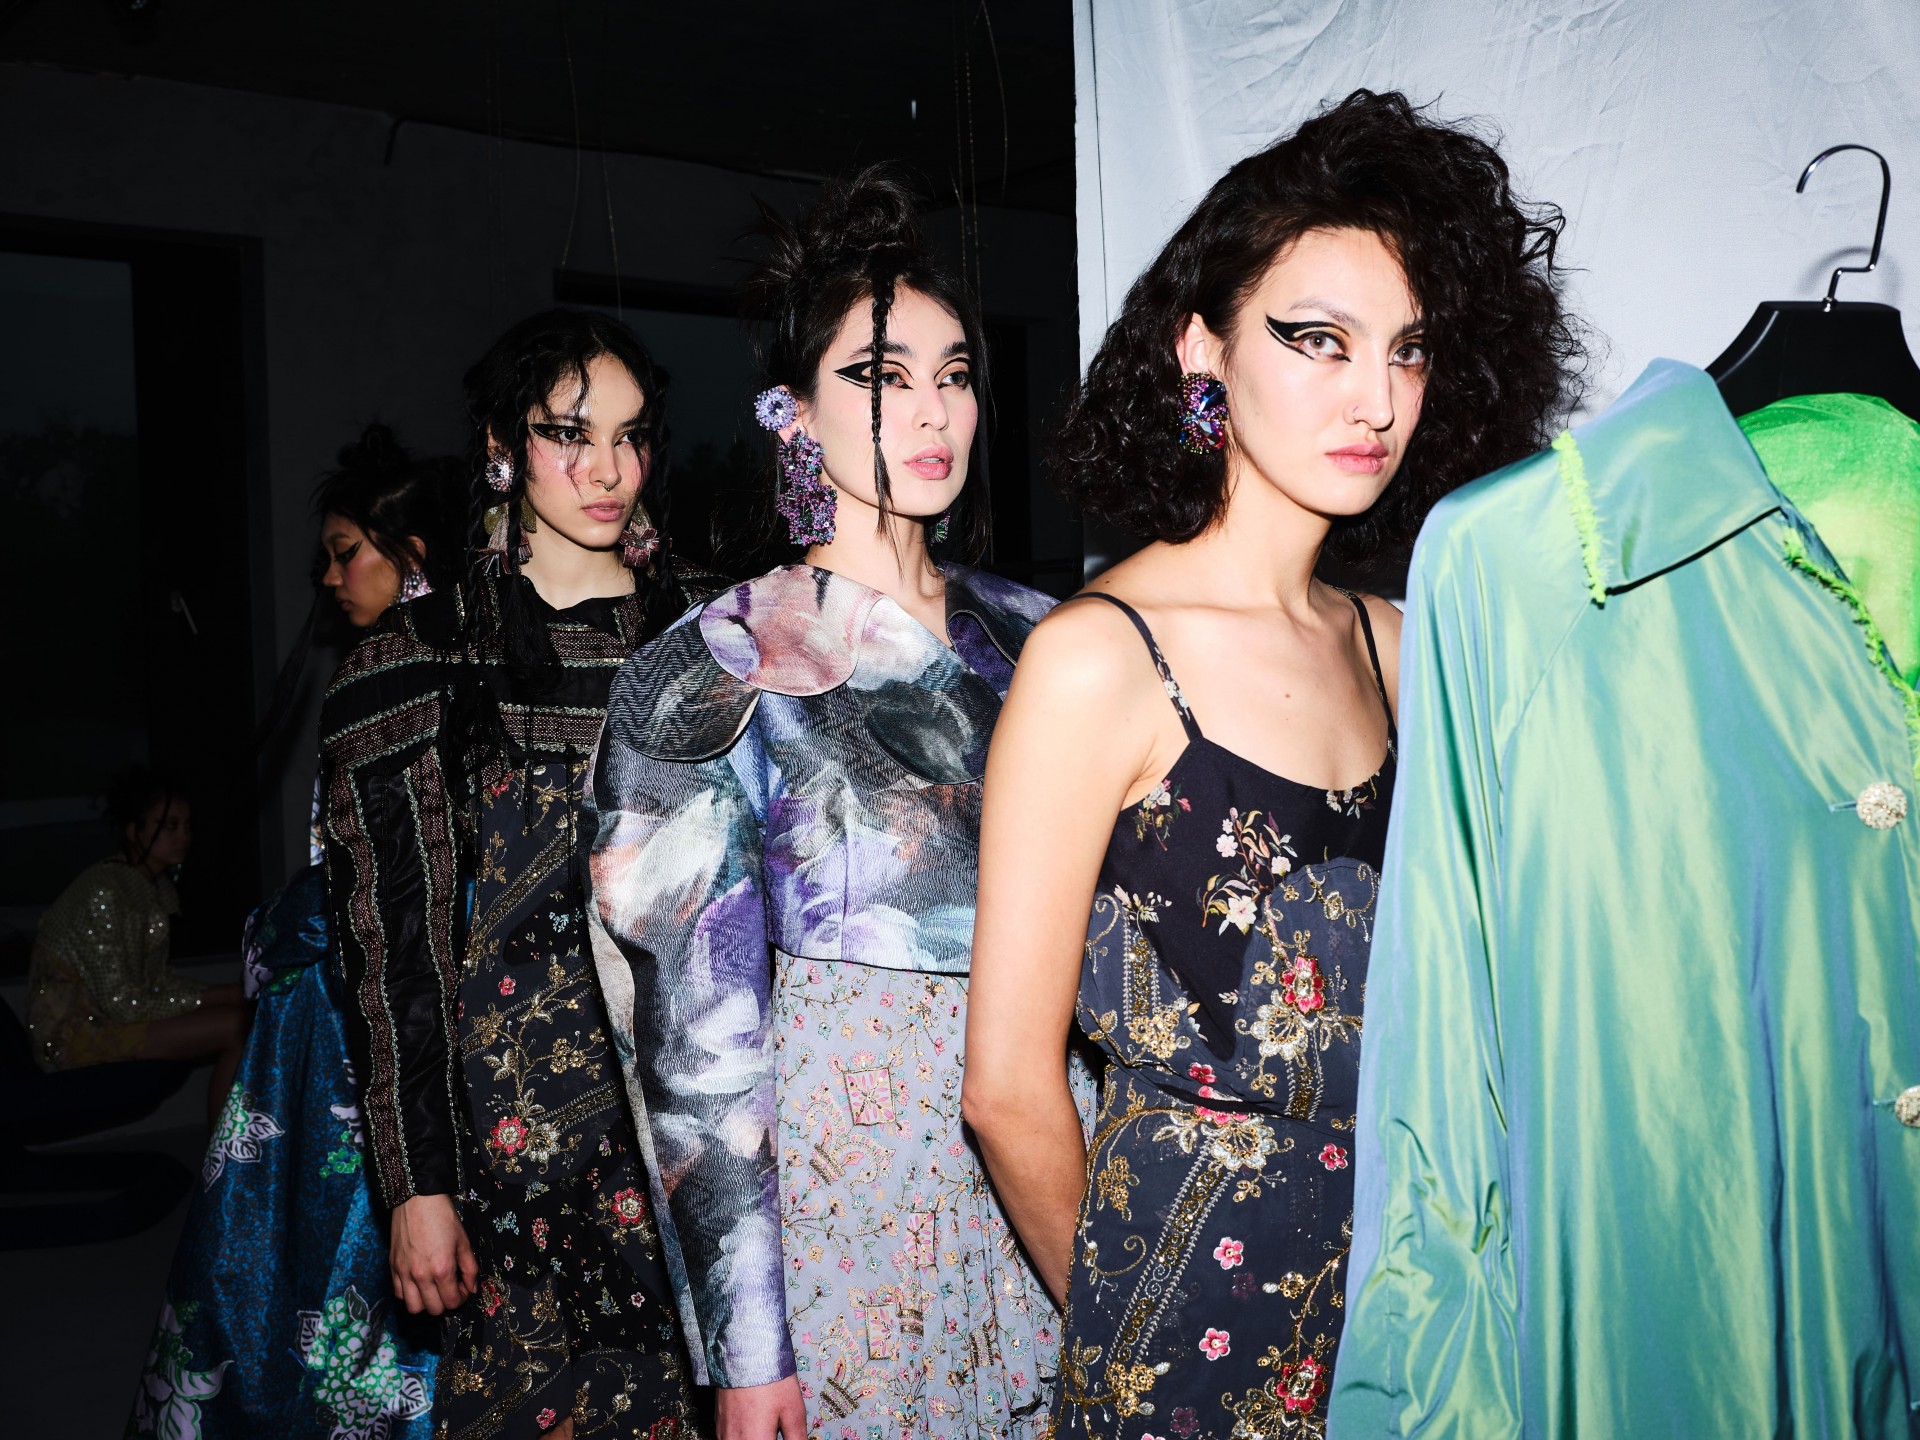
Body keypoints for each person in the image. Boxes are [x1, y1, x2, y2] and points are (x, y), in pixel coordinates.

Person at [961, 89, 1583, 1440]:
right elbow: (1007, 1091)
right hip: (1180, 1341)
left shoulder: (1408, 644)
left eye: (1408, 351)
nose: (1377, 399)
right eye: (1319, 340)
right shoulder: (1098, 659)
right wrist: (1129, 1343)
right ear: (1204, 347)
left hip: (1418, 1327)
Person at [585, 166, 1084, 1440]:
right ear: (794, 414)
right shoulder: (714, 666)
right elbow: (687, 1036)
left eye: (954, 373)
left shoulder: (1050, 638)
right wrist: (747, 1347)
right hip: (851, 1177)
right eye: (878, 375)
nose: (931, 409)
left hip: (1060, 1133)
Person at [322, 311, 713, 1439]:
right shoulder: (416, 662)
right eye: (568, 435)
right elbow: (392, 948)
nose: (608, 470)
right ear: (503, 445)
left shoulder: (712, 635)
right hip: (517, 1157)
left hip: (705, 1136)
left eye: (631, 437)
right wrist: (418, 1185)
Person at [129, 422, 461, 1440]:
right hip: (331, 998)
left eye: (343, 552)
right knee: (290, 1241)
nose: (327, 577)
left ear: (412, 555)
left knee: (345, 1243)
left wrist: (287, 926)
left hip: (384, 1006)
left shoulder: (434, 680)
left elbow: (412, 881)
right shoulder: (381, 670)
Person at [29, 768, 248, 1123]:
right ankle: (225, 1151)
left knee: (241, 1018)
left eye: (187, 826)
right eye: (169, 826)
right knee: (236, 1025)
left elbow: (155, 983)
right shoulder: (107, 890)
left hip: (110, 1017)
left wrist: (226, 995)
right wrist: (223, 995)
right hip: (77, 1035)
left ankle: (230, 1145)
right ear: (135, 832)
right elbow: (123, 1003)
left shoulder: (149, 887)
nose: (184, 837)